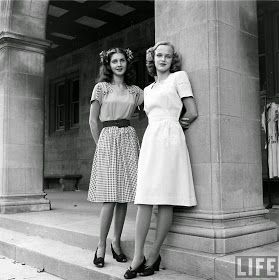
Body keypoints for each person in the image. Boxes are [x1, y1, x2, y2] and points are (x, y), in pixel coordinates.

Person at [124, 41, 198, 279]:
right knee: (144, 198)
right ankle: (138, 257)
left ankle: (154, 254)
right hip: (151, 139)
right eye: (159, 56)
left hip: (170, 138)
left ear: (172, 59)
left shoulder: (179, 77)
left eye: (167, 56)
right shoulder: (148, 89)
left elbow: (192, 110)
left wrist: (176, 126)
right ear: (152, 59)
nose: (163, 59)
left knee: (165, 199)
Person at [88, 47, 143, 268]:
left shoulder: (136, 91)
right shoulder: (101, 88)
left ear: (127, 63)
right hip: (108, 139)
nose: (119, 64)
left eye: (122, 60)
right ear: (108, 65)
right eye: (114, 61)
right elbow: (93, 121)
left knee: (123, 197)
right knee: (109, 197)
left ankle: (116, 243)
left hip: (129, 138)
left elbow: (156, 103)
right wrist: (99, 146)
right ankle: (101, 245)